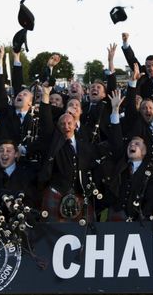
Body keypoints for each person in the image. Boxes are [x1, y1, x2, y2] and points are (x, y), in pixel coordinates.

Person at [37, 82, 100, 223]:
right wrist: (45, 96)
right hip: (56, 191)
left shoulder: (84, 143)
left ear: (75, 126)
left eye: (69, 123)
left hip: (80, 192)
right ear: (57, 127)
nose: (66, 126)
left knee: (85, 232)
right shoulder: (53, 142)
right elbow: (46, 121)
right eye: (62, 124)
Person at [103, 89, 153, 221]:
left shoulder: (152, 172)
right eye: (131, 144)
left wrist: (144, 216)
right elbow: (117, 138)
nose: (132, 145)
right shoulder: (121, 162)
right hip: (116, 217)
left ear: (145, 151)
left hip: (139, 220)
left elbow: (151, 199)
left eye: (137, 144)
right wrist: (115, 110)